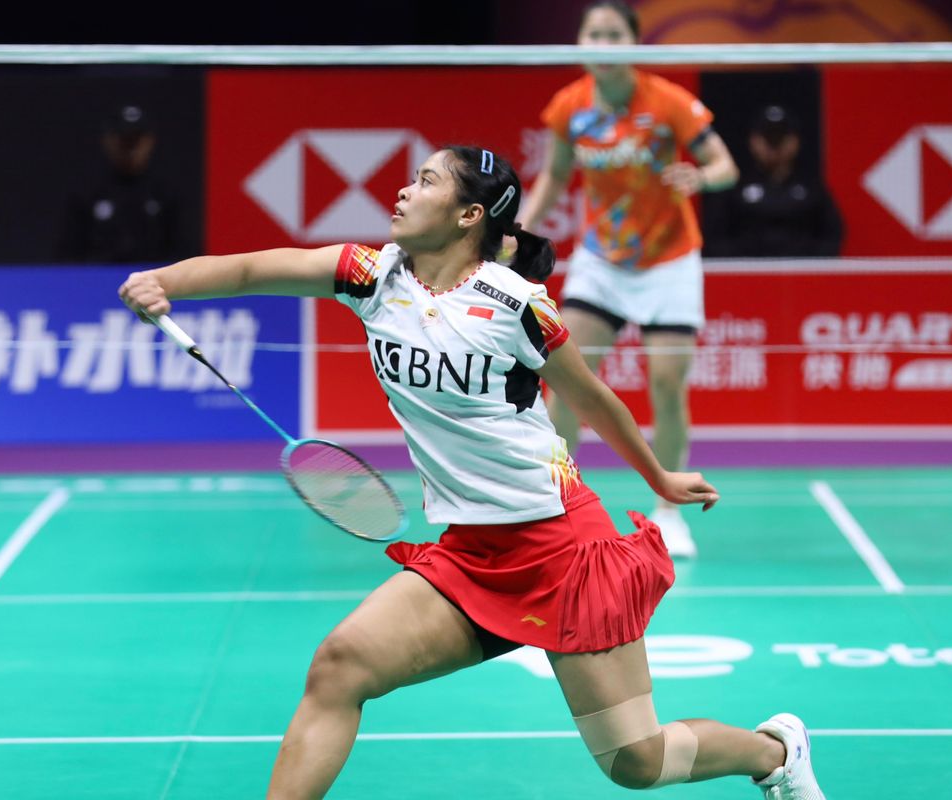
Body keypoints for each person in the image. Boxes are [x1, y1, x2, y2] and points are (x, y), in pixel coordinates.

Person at [119, 145, 825, 800]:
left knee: (635, 762)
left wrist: (659, 478)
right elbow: (251, 269)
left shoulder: (515, 303)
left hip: (562, 549)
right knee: (339, 667)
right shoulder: (370, 276)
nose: (404, 190)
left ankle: (775, 753)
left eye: (426, 181)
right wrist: (162, 283)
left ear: (468, 215)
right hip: (473, 552)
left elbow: (590, 397)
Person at [516, 0, 740, 559]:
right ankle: (556, 504)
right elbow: (555, 177)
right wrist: (516, 233)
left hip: (669, 259)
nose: (604, 45)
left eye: (615, 35)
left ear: (634, 43)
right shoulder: (569, 107)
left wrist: (701, 177)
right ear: (581, 44)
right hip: (602, 260)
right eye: (594, 34)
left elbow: (725, 166)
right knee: (565, 379)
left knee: (666, 383)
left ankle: (669, 512)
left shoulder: (667, 101)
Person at [704, 104, 844, 258]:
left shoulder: (812, 187)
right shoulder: (733, 185)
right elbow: (715, 235)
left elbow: (831, 233)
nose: (774, 145)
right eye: (768, 137)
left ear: (795, 142)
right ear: (753, 141)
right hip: (747, 269)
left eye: (780, 137)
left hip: (802, 269)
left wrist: (813, 265)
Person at [58, 104, 186, 263]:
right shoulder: (85, 195)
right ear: (107, 141)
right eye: (123, 139)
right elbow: (67, 257)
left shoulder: (166, 194)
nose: (130, 148)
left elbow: (183, 253)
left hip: (155, 276)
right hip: (96, 276)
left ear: (150, 142)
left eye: (136, 140)